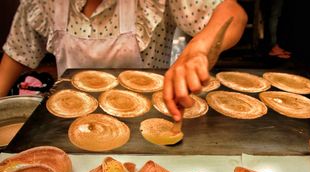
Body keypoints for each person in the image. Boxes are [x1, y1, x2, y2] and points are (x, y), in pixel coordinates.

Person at [0, 0, 248, 119]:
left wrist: (198, 50)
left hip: (148, 122)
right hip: (69, 121)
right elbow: (16, 54)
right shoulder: (44, 3)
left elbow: (232, 14)